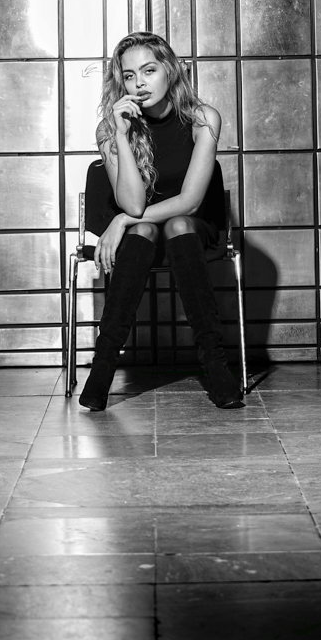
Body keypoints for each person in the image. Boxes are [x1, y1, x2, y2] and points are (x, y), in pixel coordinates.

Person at [79, 31, 244, 412]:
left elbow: (190, 201)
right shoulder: (110, 129)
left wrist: (120, 221)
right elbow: (134, 205)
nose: (139, 83)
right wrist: (121, 136)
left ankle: (215, 364)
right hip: (143, 233)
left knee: (177, 224)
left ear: (170, 70)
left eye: (149, 70)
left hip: (192, 228)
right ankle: (103, 367)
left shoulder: (203, 119)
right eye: (129, 75)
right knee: (144, 228)